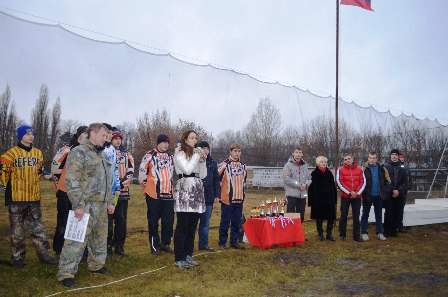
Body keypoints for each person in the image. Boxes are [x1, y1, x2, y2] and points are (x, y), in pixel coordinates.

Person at [57, 123, 115, 288]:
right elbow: (71, 180)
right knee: (75, 240)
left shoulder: (103, 155)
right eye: (104, 136)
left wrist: (110, 201)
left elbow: (107, 181)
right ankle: (66, 273)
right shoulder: (78, 152)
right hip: (85, 204)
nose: (106, 139)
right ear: (93, 134)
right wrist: (78, 204)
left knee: (99, 238)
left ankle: (96, 265)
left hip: (101, 205)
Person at [0, 125, 57, 267]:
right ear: (20, 136)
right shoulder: (9, 155)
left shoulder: (38, 153)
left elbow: (39, 172)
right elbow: (3, 177)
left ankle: (45, 256)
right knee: (17, 232)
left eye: (32, 133)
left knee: (39, 230)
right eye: (27, 134)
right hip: (16, 199)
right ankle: (17, 259)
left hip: (33, 198)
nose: (31, 136)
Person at [51, 125, 88, 255]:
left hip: (80, 194)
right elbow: (55, 169)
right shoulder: (67, 149)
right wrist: (60, 186)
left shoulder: (88, 151)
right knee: (63, 221)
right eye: (84, 133)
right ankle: (59, 248)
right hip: (65, 193)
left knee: (78, 221)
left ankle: (75, 249)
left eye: (88, 133)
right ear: (78, 134)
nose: (86, 135)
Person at [173, 130, 207, 268]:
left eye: (196, 138)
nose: (195, 140)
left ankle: (188, 255)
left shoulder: (195, 154)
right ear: (185, 140)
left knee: (192, 227)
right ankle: (179, 258)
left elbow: (203, 175)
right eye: (192, 138)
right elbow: (187, 170)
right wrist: (196, 156)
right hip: (185, 190)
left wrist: (202, 161)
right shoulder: (179, 153)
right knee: (182, 226)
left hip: (197, 190)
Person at [139, 133, 175, 255]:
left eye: (167, 142)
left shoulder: (171, 157)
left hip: (168, 194)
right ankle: (155, 246)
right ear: (158, 143)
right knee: (153, 221)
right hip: (154, 195)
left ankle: (165, 244)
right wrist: (148, 189)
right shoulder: (149, 155)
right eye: (163, 142)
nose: (165, 144)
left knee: (168, 221)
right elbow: (141, 175)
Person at [107, 129, 134, 256]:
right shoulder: (106, 151)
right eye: (115, 138)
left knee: (121, 220)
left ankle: (119, 246)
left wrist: (121, 185)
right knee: (108, 221)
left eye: (120, 138)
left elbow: (131, 171)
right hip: (109, 192)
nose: (118, 140)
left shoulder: (127, 154)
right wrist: (113, 186)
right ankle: (107, 247)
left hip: (122, 193)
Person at [218, 143, 247, 250]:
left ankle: (233, 242)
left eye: (239, 151)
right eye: (235, 151)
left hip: (239, 199)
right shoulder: (225, 164)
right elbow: (217, 178)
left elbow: (243, 181)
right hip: (227, 199)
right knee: (225, 221)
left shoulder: (243, 166)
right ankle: (222, 242)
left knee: (236, 222)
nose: (237, 153)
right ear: (230, 151)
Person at [360, 152, 391, 241]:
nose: (372, 160)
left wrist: (385, 190)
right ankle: (364, 233)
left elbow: (388, 181)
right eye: (370, 158)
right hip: (367, 196)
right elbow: (360, 181)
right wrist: (363, 193)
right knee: (365, 214)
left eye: (374, 158)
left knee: (379, 215)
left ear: (377, 159)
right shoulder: (363, 169)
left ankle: (380, 233)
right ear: (368, 158)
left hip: (379, 196)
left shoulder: (382, 169)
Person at [197, 141, 221, 252]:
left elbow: (216, 179)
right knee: (191, 223)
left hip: (208, 197)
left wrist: (217, 195)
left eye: (207, 148)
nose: (205, 150)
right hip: (195, 197)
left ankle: (203, 244)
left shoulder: (212, 163)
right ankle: (187, 247)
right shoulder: (194, 161)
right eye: (203, 148)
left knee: (205, 224)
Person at [336, 153, 366, 242]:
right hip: (345, 196)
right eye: (345, 159)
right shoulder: (340, 170)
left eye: (349, 159)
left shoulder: (360, 169)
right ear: (343, 161)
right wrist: (350, 192)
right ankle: (342, 235)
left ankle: (356, 236)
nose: (347, 160)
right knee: (343, 216)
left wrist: (357, 193)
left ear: (352, 159)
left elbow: (363, 182)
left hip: (357, 196)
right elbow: (340, 182)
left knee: (356, 216)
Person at [102, 123, 121, 259]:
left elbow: (115, 170)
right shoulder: (100, 150)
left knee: (108, 220)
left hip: (111, 192)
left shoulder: (112, 150)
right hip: (98, 192)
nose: (110, 136)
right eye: (108, 133)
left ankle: (107, 247)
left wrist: (117, 187)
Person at [307, 156, 337, 241]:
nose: (324, 164)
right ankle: (320, 234)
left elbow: (333, 187)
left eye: (325, 162)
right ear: (318, 163)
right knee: (319, 217)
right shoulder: (314, 174)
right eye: (322, 162)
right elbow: (311, 188)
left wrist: (334, 198)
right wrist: (312, 200)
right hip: (318, 200)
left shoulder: (329, 173)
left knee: (330, 217)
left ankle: (329, 234)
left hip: (329, 199)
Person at [383, 149, 408, 237]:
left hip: (399, 195)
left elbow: (405, 182)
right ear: (390, 155)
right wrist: (391, 190)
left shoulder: (403, 168)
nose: (394, 156)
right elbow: (384, 181)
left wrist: (398, 190)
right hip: (389, 194)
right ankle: (386, 231)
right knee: (388, 212)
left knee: (397, 212)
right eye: (392, 154)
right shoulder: (385, 166)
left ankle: (394, 231)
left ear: (398, 156)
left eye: (396, 154)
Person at [282, 147, 311, 223]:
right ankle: (289, 233)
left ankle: (298, 233)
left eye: (300, 152)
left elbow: (309, 178)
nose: (298, 154)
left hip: (302, 195)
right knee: (290, 216)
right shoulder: (288, 165)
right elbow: (286, 179)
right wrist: (299, 185)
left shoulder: (305, 165)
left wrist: (305, 184)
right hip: (291, 195)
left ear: (302, 154)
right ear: (293, 153)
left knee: (301, 216)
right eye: (296, 152)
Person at [398, 151, 410, 233]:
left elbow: (409, 179)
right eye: (400, 157)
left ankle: (400, 225)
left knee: (401, 209)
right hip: (396, 191)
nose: (401, 159)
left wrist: (407, 188)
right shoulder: (395, 167)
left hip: (403, 192)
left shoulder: (406, 167)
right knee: (394, 209)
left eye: (402, 157)